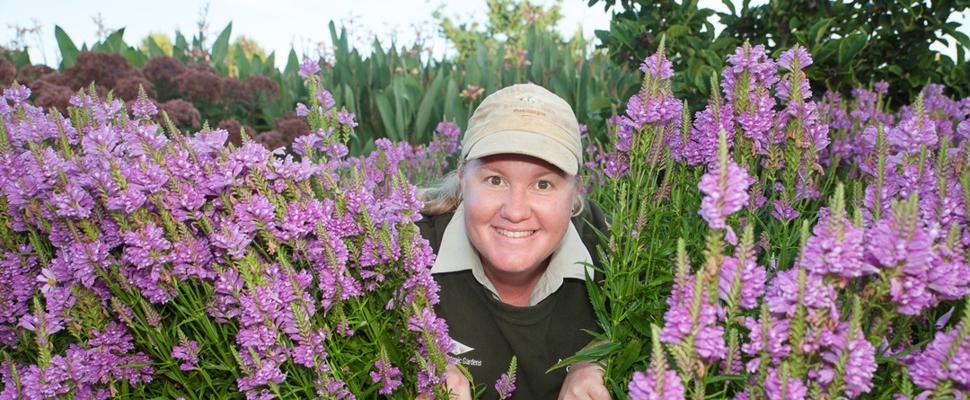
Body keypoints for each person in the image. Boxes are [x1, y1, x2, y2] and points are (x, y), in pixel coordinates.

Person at [415, 83, 612, 400]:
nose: (515, 211)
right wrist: (416, 362)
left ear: (576, 193)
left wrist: (599, 358)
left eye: (543, 184)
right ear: (464, 180)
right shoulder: (404, 249)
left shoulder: (619, 257)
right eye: (495, 180)